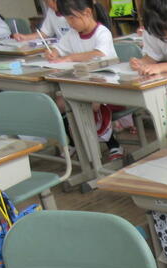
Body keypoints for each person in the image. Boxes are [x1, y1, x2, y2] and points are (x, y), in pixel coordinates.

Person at [46, 0, 123, 160]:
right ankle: (74, 142)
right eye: (67, 19)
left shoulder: (102, 32)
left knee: (92, 105)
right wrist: (53, 52)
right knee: (60, 104)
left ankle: (113, 144)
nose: (70, 23)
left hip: (107, 87)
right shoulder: (72, 34)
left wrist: (70, 58)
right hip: (82, 86)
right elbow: (59, 48)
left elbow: (99, 54)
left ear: (87, 13)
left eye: (72, 18)